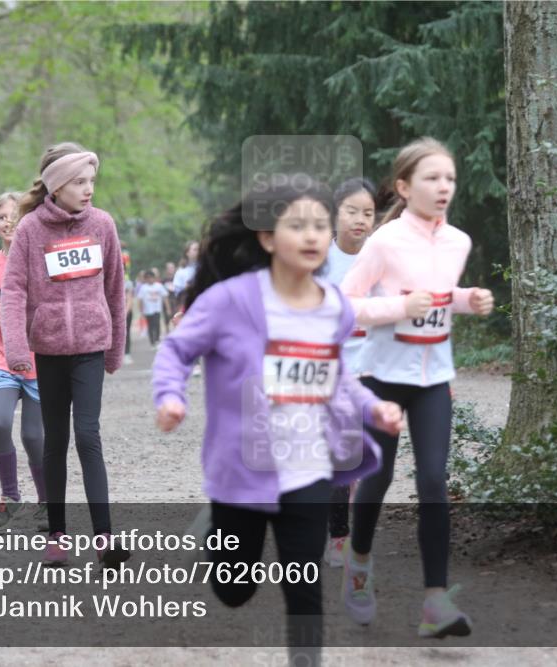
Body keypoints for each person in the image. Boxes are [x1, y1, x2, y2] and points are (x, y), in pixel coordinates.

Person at [152, 175, 403, 665]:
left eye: (319, 226)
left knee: (304, 589)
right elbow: (177, 351)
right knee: (234, 590)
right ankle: (213, 530)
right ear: (267, 237)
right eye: (297, 226)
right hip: (242, 473)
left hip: (306, 469)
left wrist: (373, 407)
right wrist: (169, 397)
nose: (313, 236)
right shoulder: (231, 301)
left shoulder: (332, 305)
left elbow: (339, 373)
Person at [340, 138, 494, 637]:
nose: (443, 187)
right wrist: (396, 310)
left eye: (449, 178)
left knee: (433, 482)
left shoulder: (459, 242)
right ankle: (359, 567)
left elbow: (440, 300)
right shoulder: (383, 243)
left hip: (434, 379)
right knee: (378, 478)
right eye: (431, 178)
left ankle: (435, 603)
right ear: (404, 188)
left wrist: (468, 299)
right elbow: (345, 306)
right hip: (382, 378)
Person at [0, 141, 130, 568]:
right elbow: (15, 291)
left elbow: (115, 289)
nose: (88, 189)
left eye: (92, 181)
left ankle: (105, 538)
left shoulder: (103, 224)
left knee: (88, 436)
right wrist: (17, 348)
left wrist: (116, 348)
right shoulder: (31, 230)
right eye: (79, 182)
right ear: (57, 187)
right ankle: (56, 536)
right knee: (55, 440)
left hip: (91, 346)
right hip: (50, 349)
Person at [0, 191, 46, 530]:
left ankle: (47, 501)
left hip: (38, 360)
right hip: (3, 357)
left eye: (15, 216)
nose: (9, 222)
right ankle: (10, 497)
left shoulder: (38, 260)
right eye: (3, 217)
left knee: (35, 437)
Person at [322, 178, 377, 566]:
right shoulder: (319, 259)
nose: (360, 220)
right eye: (351, 211)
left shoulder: (383, 257)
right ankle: (338, 536)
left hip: (375, 368)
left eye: (368, 213)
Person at [137, 269, 169, 347]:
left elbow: (165, 297)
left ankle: (157, 340)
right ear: (145, 279)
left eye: (151, 277)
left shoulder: (159, 286)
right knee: (150, 326)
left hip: (157, 309)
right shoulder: (143, 288)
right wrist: (141, 311)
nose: (150, 279)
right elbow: (140, 300)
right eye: (147, 278)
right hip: (148, 310)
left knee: (157, 324)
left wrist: (168, 308)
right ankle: (152, 342)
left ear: (154, 278)